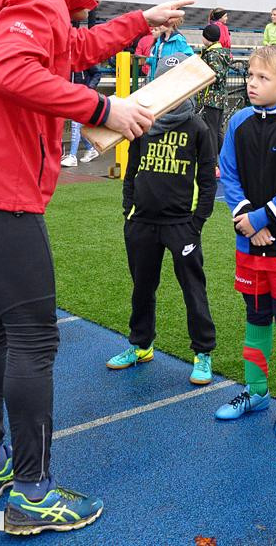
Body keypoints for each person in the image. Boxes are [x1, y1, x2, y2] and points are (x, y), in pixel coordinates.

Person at [0, 0, 191, 535]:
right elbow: (10, 71)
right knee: (34, 339)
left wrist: (140, 21)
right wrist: (104, 110)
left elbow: (70, 47)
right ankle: (33, 495)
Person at [213, 45, 276, 438]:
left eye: (262, 78)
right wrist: (247, 222)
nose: (251, 83)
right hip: (248, 244)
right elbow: (229, 175)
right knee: (255, 317)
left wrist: (258, 219)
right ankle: (256, 391)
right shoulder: (238, 122)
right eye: (250, 75)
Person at [108, 60, 218, 382]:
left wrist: (197, 221)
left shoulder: (198, 128)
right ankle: (141, 345)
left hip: (181, 224)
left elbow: (208, 180)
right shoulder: (142, 124)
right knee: (142, 287)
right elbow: (132, 169)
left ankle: (203, 353)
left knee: (193, 289)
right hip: (142, 222)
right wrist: (129, 208)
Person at [197, 23, 231, 159]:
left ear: (207, 37)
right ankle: (222, 159)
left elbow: (215, 75)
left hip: (211, 99)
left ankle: (211, 161)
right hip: (220, 98)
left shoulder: (212, 54)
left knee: (211, 131)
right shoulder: (222, 52)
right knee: (217, 131)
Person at [61, 65, 103, 166]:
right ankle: (91, 149)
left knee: (76, 123)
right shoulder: (67, 60)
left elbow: (97, 73)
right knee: (78, 125)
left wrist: (89, 89)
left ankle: (72, 156)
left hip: (83, 96)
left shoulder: (83, 60)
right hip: (71, 96)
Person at [145, 16, 193, 81]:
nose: (158, 26)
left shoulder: (179, 39)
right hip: (156, 78)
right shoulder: (160, 40)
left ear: (171, 23)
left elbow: (189, 56)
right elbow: (153, 58)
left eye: (161, 24)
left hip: (172, 79)